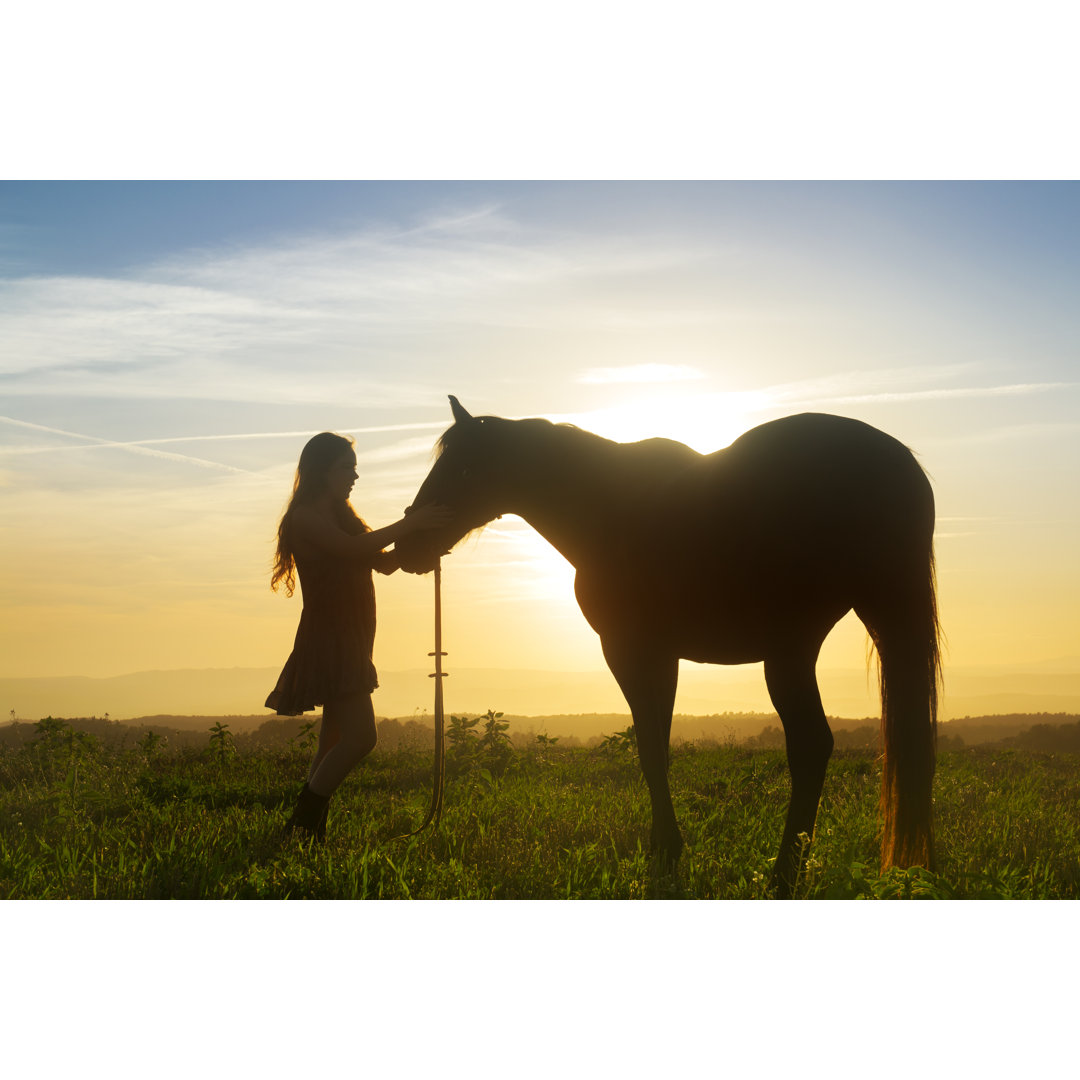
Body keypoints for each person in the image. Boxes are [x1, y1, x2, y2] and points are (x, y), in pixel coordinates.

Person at [266, 431, 450, 840]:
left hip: (351, 635)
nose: (355, 475)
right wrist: (411, 522)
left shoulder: (341, 515)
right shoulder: (306, 518)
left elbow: (381, 564)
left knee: (333, 736)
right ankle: (302, 817)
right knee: (362, 737)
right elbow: (352, 552)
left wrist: (421, 546)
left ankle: (307, 831)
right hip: (330, 638)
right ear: (322, 471)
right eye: (346, 467)